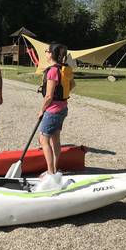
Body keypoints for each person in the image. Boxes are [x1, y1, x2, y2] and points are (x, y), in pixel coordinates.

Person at [37, 42, 75, 187]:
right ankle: (54, 169)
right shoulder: (65, 68)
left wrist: (42, 110)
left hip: (52, 110)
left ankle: (51, 173)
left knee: (43, 139)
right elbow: (72, 85)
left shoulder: (53, 71)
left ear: (51, 54)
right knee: (55, 138)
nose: (45, 53)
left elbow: (49, 96)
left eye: (46, 51)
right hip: (63, 108)